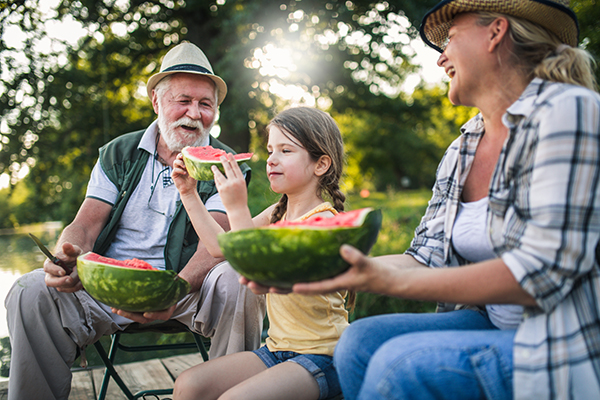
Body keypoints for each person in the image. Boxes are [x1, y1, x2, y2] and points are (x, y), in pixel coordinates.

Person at [289, 1, 600, 399]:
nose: (441, 60)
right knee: (358, 343)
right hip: (487, 323)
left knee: (398, 368)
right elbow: (426, 255)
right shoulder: (463, 146)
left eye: (450, 39)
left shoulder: (567, 110)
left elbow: (541, 273)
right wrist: (318, 269)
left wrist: (385, 280)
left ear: (496, 32)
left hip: (562, 339)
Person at [4, 41, 265, 400]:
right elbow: (87, 223)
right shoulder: (118, 153)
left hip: (190, 288)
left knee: (238, 279)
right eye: (183, 101)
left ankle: (233, 393)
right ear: (157, 102)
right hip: (108, 285)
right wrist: (70, 251)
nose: (194, 113)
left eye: (205, 104)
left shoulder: (225, 162)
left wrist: (173, 290)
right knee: (29, 290)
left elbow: (217, 241)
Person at [170, 106, 351, 400]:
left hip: (324, 357)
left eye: (286, 150)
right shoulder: (276, 214)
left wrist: (237, 208)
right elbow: (220, 248)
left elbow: (255, 269)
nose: (271, 160)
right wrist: (188, 194)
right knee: (189, 385)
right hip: (277, 350)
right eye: (270, 151)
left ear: (321, 165)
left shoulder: (325, 222)